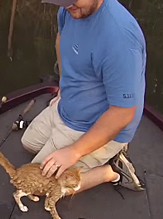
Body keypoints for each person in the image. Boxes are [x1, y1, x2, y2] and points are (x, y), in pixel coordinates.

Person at [23, 0, 146, 192]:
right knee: (28, 144)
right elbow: (61, 40)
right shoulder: (70, 10)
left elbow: (123, 113)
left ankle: (111, 171)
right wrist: (63, 89)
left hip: (95, 123)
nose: (67, 6)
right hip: (67, 108)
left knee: (40, 187)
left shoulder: (120, 38)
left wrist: (74, 152)